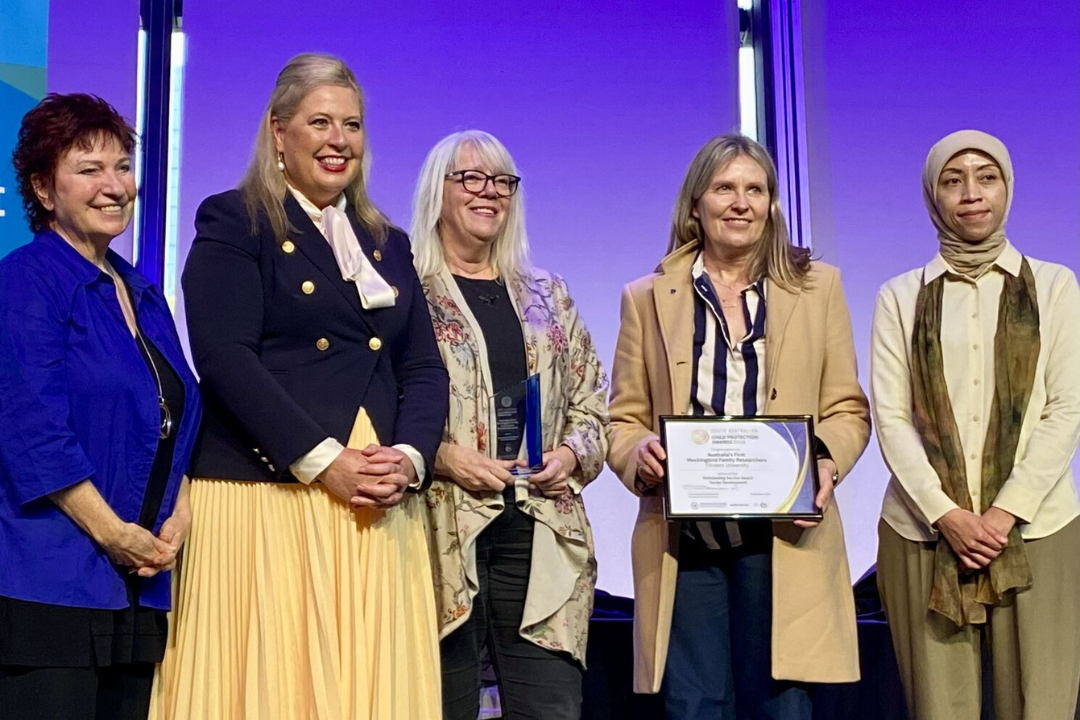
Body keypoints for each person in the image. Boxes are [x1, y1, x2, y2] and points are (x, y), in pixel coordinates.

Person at [149, 54, 449, 720]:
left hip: (375, 499)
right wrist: (324, 462)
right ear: (278, 132)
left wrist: (409, 459)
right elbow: (225, 359)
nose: (339, 139)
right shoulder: (235, 221)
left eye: (353, 124)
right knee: (275, 687)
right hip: (269, 493)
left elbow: (423, 368)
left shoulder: (387, 243)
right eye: (320, 122)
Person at [606, 133, 871, 720]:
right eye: (724, 188)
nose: (741, 202)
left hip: (782, 540)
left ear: (772, 204)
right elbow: (622, 420)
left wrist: (820, 460)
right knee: (695, 707)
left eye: (756, 189)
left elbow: (849, 409)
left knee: (781, 708)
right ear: (695, 203)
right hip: (688, 544)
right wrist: (639, 453)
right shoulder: (645, 298)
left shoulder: (818, 287)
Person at [0, 93, 202, 720]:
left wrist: (181, 512)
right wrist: (113, 534)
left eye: (122, 166)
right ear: (43, 186)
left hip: (138, 588)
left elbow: (178, 417)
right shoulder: (25, 280)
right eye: (89, 169)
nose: (114, 186)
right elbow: (33, 430)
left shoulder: (142, 290)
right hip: (49, 584)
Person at [872, 130, 1080, 720]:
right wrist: (950, 516)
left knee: (1039, 704)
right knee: (942, 708)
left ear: (1007, 189)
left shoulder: (1056, 285)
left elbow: (1066, 408)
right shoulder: (901, 295)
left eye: (986, 177)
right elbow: (890, 417)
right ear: (932, 195)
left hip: (1040, 526)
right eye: (952, 179)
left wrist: (1002, 513)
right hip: (924, 530)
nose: (971, 194)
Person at [410, 130, 609, 720]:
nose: (488, 192)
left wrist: (571, 456)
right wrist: (444, 457)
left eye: (501, 181)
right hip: (442, 530)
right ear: (437, 192)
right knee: (442, 704)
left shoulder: (550, 295)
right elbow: (380, 409)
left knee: (550, 707)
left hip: (541, 526)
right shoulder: (405, 296)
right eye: (470, 178)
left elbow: (594, 402)